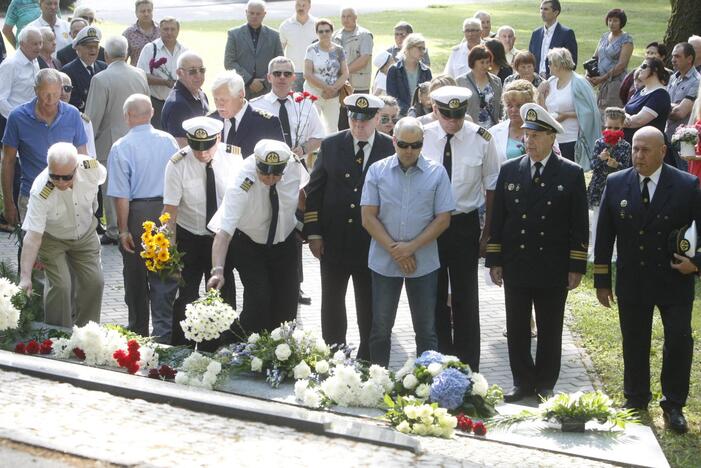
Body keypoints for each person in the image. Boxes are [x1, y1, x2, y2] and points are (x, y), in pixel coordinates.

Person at [594, 126, 700, 434]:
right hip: (633, 278)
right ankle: (636, 398)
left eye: (646, 150)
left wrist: (695, 264)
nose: (638, 155)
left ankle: (674, 405)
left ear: (663, 151)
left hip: (673, 278)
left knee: (679, 340)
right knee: (635, 339)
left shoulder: (686, 185)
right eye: (636, 149)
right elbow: (604, 235)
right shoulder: (616, 183)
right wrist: (602, 278)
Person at [486, 103, 588, 402]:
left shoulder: (570, 173)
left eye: (536, 135)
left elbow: (579, 225)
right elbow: (499, 219)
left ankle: (545, 381)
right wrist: (495, 259)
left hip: (552, 265)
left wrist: (576, 265)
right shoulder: (510, 170)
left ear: (552, 138)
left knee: (550, 326)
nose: (529, 141)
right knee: (516, 326)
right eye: (527, 135)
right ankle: (521, 381)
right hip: (517, 263)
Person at [304, 94, 394, 360]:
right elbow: (315, 191)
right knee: (332, 302)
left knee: (368, 304)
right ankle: (333, 353)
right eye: (354, 119)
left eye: (365, 121)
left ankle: (367, 358)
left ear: (378, 119)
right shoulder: (332, 145)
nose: (358, 125)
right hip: (334, 240)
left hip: (371, 242)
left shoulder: (390, 148)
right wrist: (314, 233)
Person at [362, 117, 454, 367]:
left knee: (426, 330)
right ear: (394, 140)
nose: (409, 151)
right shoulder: (377, 170)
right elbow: (368, 217)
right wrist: (397, 252)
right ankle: (377, 381)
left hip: (422, 261)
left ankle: (426, 382)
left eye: (416, 145)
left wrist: (409, 248)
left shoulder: (437, 172)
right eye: (403, 144)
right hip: (384, 260)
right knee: (380, 327)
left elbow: (443, 219)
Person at [422, 86, 500, 371]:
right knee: (434, 295)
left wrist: (487, 231)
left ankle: (469, 366)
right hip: (430, 225)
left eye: (457, 116)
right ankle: (440, 362)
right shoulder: (424, 135)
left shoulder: (481, 138)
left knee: (466, 297)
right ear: (435, 109)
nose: (452, 122)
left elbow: (492, 187)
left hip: (465, 223)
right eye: (446, 116)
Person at [207, 139, 309, 335]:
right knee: (258, 302)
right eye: (264, 172)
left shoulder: (294, 165)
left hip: (284, 242)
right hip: (249, 245)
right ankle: (237, 349)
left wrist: (307, 224)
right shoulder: (241, 182)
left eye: (276, 174)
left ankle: (279, 355)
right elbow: (224, 232)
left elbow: (301, 190)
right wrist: (217, 270)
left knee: (288, 305)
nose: (270, 178)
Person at [251, 56, 325, 305]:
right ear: (268, 77)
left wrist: (300, 150)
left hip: (295, 173)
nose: (282, 78)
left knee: (294, 227)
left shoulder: (304, 105)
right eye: (277, 73)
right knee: (268, 222)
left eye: (287, 73)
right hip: (266, 174)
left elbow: (319, 137)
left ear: (294, 77)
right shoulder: (256, 105)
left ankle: (296, 284)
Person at [163, 116, 242, 348]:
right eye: (196, 148)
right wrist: (170, 255)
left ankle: (221, 349)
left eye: (207, 146)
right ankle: (180, 349)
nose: (202, 153)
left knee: (223, 295)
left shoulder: (234, 157)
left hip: (222, 237)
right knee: (185, 296)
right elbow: (170, 212)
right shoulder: (177, 163)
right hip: (190, 236)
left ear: (218, 138)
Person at [107, 95, 179, 343]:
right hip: (166, 211)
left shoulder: (121, 147)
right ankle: (163, 333)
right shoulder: (168, 140)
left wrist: (123, 229)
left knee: (136, 276)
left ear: (127, 117)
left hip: (138, 213)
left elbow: (121, 195)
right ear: (150, 114)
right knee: (164, 274)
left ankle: (137, 331)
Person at [19, 142, 105, 327]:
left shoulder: (91, 168)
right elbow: (33, 237)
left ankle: (87, 336)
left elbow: (102, 183)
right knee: (61, 286)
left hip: (85, 233)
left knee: (95, 282)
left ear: (76, 168)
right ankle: (58, 336)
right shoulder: (40, 191)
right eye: (55, 176)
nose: (61, 182)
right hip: (52, 239)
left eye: (66, 177)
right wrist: (25, 277)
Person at [85, 35, 150, 246]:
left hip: (109, 141)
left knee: (113, 188)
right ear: (127, 53)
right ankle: (135, 224)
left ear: (106, 55)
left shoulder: (100, 79)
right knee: (135, 185)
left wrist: (87, 143)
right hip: (139, 139)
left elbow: (93, 116)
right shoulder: (140, 74)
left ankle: (114, 229)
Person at [2, 68, 88, 227]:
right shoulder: (17, 117)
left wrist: (85, 197)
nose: (50, 100)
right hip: (32, 195)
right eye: (45, 94)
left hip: (66, 196)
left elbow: (83, 158)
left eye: (55, 94)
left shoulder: (72, 114)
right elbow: (8, 162)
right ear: (35, 90)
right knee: (30, 247)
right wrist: (9, 203)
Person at [540, 47, 600, 168]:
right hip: (552, 139)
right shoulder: (550, 81)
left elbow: (590, 112)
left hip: (571, 140)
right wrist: (540, 95)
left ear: (558, 65)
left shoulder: (579, 83)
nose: (548, 66)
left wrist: (566, 115)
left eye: (550, 63)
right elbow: (543, 109)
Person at [208, 70, 285, 159]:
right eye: (216, 99)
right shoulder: (211, 121)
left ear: (241, 95)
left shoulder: (267, 124)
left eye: (224, 100)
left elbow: (279, 162)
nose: (219, 105)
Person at [587, 107, 631, 260]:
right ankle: (596, 252)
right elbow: (592, 165)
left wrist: (616, 165)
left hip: (617, 188)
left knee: (617, 218)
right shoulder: (599, 143)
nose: (612, 130)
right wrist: (600, 158)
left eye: (616, 128)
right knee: (597, 219)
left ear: (622, 126)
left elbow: (627, 168)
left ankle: (615, 252)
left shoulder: (625, 146)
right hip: (599, 186)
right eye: (609, 127)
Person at [224, 0, 284, 99]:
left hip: (267, 90)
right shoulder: (233, 34)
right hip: (241, 90)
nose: (254, 16)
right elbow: (229, 63)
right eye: (251, 13)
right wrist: (249, 80)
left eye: (258, 14)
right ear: (246, 12)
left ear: (264, 14)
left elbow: (280, 62)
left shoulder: (274, 35)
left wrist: (264, 81)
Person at [136, 17, 186, 129]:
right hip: (156, 104)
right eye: (165, 29)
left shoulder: (184, 51)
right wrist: (164, 82)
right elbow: (141, 76)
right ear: (160, 30)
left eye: (173, 29)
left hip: (179, 103)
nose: (169, 32)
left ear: (178, 30)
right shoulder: (150, 49)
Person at [303, 18, 349, 134]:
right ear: (317, 33)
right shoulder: (311, 49)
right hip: (313, 93)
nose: (324, 34)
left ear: (332, 32)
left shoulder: (339, 50)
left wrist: (332, 90)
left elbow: (345, 73)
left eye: (327, 31)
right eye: (321, 31)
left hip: (333, 95)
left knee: (332, 128)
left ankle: (331, 151)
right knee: (312, 126)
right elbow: (307, 74)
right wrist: (326, 88)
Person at [333, 7, 374, 131]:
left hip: (358, 86)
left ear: (356, 18)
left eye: (349, 16)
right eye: (343, 16)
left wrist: (344, 72)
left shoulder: (365, 35)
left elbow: (364, 59)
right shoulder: (336, 35)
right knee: (341, 121)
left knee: (358, 120)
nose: (346, 19)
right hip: (340, 86)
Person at [586, 9, 633, 115]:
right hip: (601, 82)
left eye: (615, 20)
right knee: (599, 112)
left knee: (611, 114)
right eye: (610, 20)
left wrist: (602, 78)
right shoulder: (604, 37)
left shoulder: (626, 40)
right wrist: (588, 74)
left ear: (621, 22)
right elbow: (595, 57)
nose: (612, 23)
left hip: (615, 83)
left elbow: (621, 65)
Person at [161, 51, 209, 147]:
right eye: (192, 71)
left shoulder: (201, 94)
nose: (199, 75)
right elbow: (181, 146)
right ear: (179, 73)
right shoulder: (177, 105)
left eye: (202, 70)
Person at [623, 58, 671, 144]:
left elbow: (639, 120)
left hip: (647, 147)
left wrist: (620, 120)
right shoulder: (640, 91)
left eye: (644, 66)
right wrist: (623, 117)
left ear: (655, 69)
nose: (640, 69)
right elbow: (622, 111)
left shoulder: (660, 95)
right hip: (628, 145)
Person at [0, 26, 41, 124]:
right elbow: (1, 99)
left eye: (40, 43)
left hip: (32, 119)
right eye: (35, 44)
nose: (39, 47)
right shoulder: (10, 65)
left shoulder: (34, 59)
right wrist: (17, 118)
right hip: (13, 122)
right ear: (22, 44)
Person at [61, 25, 107, 112]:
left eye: (96, 47)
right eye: (89, 47)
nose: (93, 50)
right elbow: (72, 100)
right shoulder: (68, 71)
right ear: (78, 48)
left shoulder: (103, 67)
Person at [491, 79, 539, 161]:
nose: (513, 110)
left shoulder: (542, 129)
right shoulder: (494, 132)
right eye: (509, 105)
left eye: (519, 105)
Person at [386, 33, 432, 116]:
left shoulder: (426, 71)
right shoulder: (394, 70)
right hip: (400, 115)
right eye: (419, 48)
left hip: (422, 115)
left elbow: (429, 96)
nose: (423, 52)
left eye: (424, 49)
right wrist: (410, 111)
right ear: (409, 47)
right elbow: (392, 98)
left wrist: (417, 111)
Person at [457, 45, 502, 129]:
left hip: (492, 129)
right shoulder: (460, 81)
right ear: (473, 62)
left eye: (487, 62)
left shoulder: (496, 81)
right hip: (470, 128)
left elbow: (500, 106)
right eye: (482, 62)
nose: (485, 66)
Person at [528, 0, 578, 77]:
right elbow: (530, 59)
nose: (542, 12)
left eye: (546, 9)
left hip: (557, 80)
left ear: (556, 12)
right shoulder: (536, 33)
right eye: (541, 9)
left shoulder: (567, 33)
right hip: (535, 80)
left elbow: (572, 63)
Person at [279, 0, 317, 92]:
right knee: (294, 103)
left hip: (314, 73)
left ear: (309, 6)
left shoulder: (317, 24)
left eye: (304, 5)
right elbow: (280, 50)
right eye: (298, 5)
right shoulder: (286, 25)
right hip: (293, 73)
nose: (301, 8)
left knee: (312, 104)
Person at [665, 43, 700, 141]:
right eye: (672, 56)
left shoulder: (697, 81)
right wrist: (672, 106)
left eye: (677, 56)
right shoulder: (673, 78)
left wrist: (661, 107)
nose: (673, 60)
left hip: (683, 139)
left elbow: (680, 113)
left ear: (689, 59)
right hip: (666, 134)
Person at [58, 71, 96, 159]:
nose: (63, 93)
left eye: (67, 88)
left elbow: (91, 157)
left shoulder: (83, 121)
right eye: (59, 88)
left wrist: (90, 171)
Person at [123, 0, 160, 66]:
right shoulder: (128, 33)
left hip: (159, 75)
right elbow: (122, 60)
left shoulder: (161, 30)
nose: (146, 14)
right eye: (143, 11)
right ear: (136, 13)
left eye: (149, 11)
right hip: (137, 74)